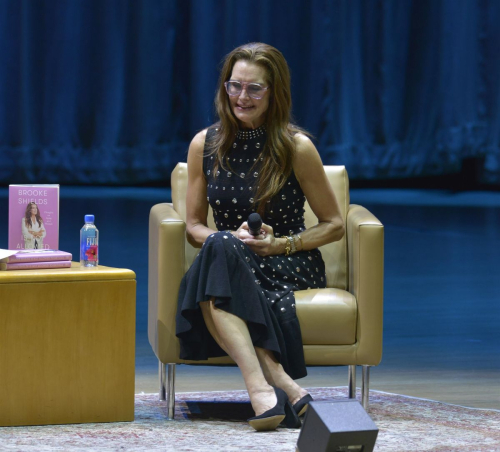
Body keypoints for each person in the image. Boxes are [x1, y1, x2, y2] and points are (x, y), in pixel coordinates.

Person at [176, 42, 345, 431]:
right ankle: (279, 385)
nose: (242, 97)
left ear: (275, 93)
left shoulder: (296, 147)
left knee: (213, 277)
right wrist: (231, 240)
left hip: (288, 261)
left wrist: (282, 243)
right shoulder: (206, 144)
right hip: (231, 259)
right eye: (234, 86)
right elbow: (194, 226)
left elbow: (333, 223)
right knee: (219, 248)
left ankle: (263, 392)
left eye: (255, 89)